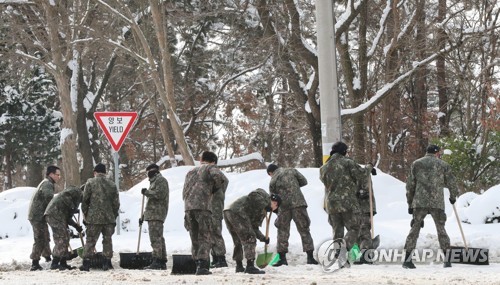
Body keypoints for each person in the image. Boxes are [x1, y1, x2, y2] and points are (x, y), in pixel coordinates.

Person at [403, 144, 458, 269]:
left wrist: (410, 203)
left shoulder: (416, 164)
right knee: (441, 230)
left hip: (419, 201)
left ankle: (407, 259)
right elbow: (451, 182)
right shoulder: (443, 165)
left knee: (414, 229)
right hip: (436, 202)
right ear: (437, 153)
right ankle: (447, 260)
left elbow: (410, 185)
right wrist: (453, 196)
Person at [319, 142, 372, 264]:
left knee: (337, 230)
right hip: (347, 202)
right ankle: (343, 248)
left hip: (331, 203)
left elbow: (325, 182)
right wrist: (369, 166)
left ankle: (337, 252)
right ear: (344, 151)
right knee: (354, 227)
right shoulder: (347, 162)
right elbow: (362, 175)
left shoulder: (324, 168)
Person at [183, 151, 228, 275]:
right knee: (204, 235)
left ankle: (196, 263)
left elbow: (184, 190)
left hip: (188, 207)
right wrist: (214, 188)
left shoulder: (190, 172)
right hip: (203, 207)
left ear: (201, 159)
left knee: (194, 236)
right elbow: (219, 178)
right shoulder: (210, 167)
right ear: (213, 161)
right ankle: (203, 265)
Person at [267, 164, 318, 266]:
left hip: (284, 207)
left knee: (282, 231)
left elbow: (273, 198)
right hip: (298, 204)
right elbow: (304, 181)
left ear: (271, 172)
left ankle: (282, 259)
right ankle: (310, 258)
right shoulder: (292, 170)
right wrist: (293, 186)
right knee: (304, 229)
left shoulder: (273, 180)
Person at [223, 189, 281, 274]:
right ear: (275, 203)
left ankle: (239, 266)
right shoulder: (264, 195)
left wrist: (263, 238)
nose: (274, 209)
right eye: (276, 206)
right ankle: (250, 266)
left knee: (238, 239)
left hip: (229, 210)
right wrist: (265, 205)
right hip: (237, 210)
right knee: (250, 237)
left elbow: (253, 227)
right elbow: (253, 195)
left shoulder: (262, 212)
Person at [79, 163, 120, 272]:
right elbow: (116, 204)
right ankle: (107, 263)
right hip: (109, 218)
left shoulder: (90, 182)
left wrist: (86, 215)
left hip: (94, 218)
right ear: (105, 173)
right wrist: (113, 216)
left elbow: (85, 201)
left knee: (91, 240)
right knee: (107, 240)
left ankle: (86, 263)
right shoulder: (112, 184)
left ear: (95, 172)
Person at [28, 165, 61, 271]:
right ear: (51, 174)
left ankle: (47, 258)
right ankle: (35, 262)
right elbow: (49, 200)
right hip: (37, 216)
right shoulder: (47, 184)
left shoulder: (46, 182)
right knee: (40, 238)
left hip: (39, 215)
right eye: (57, 174)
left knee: (45, 236)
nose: (59, 177)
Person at [44, 185, 83, 270]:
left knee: (66, 237)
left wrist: (76, 226)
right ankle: (55, 263)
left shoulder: (76, 194)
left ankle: (63, 262)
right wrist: (72, 208)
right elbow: (66, 198)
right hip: (54, 214)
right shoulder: (76, 193)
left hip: (58, 215)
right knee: (61, 238)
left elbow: (68, 217)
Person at [139, 163, 169, 270]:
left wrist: (147, 192)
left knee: (155, 238)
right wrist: (144, 215)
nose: (147, 174)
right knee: (158, 237)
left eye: (148, 172)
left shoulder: (161, 181)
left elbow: (159, 194)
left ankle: (157, 260)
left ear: (153, 171)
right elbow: (150, 202)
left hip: (157, 213)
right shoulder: (154, 182)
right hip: (152, 213)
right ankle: (161, 260)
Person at [210, 158, 229, 268]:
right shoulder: (212, 174)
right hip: (211, 207)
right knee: (211, 234)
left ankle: (221, 259)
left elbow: (225, 181)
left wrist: (217, 191)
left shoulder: (218, 174)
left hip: (215, 208)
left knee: (216, 233)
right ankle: (215, 258)